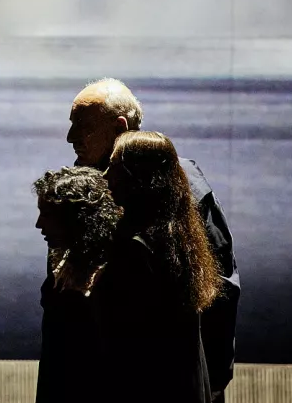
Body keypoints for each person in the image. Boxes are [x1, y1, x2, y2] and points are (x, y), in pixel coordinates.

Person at [39, 78, 240, 402]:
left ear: (120, 127)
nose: (70, 137)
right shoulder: (83, 192)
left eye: (83, 126)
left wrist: (210, 380)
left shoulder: (185, 195)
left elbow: (218, 291)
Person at [93, 130, 224, 403]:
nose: (105, 176)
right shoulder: (180, 240)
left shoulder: (136, 250)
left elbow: (127, 347)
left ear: (136, 177)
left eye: (114, 166)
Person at [33, 166, 121, 403]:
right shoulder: (60, 262)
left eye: (47, 214)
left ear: (74, 218)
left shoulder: (112, 273)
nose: (38, 224)